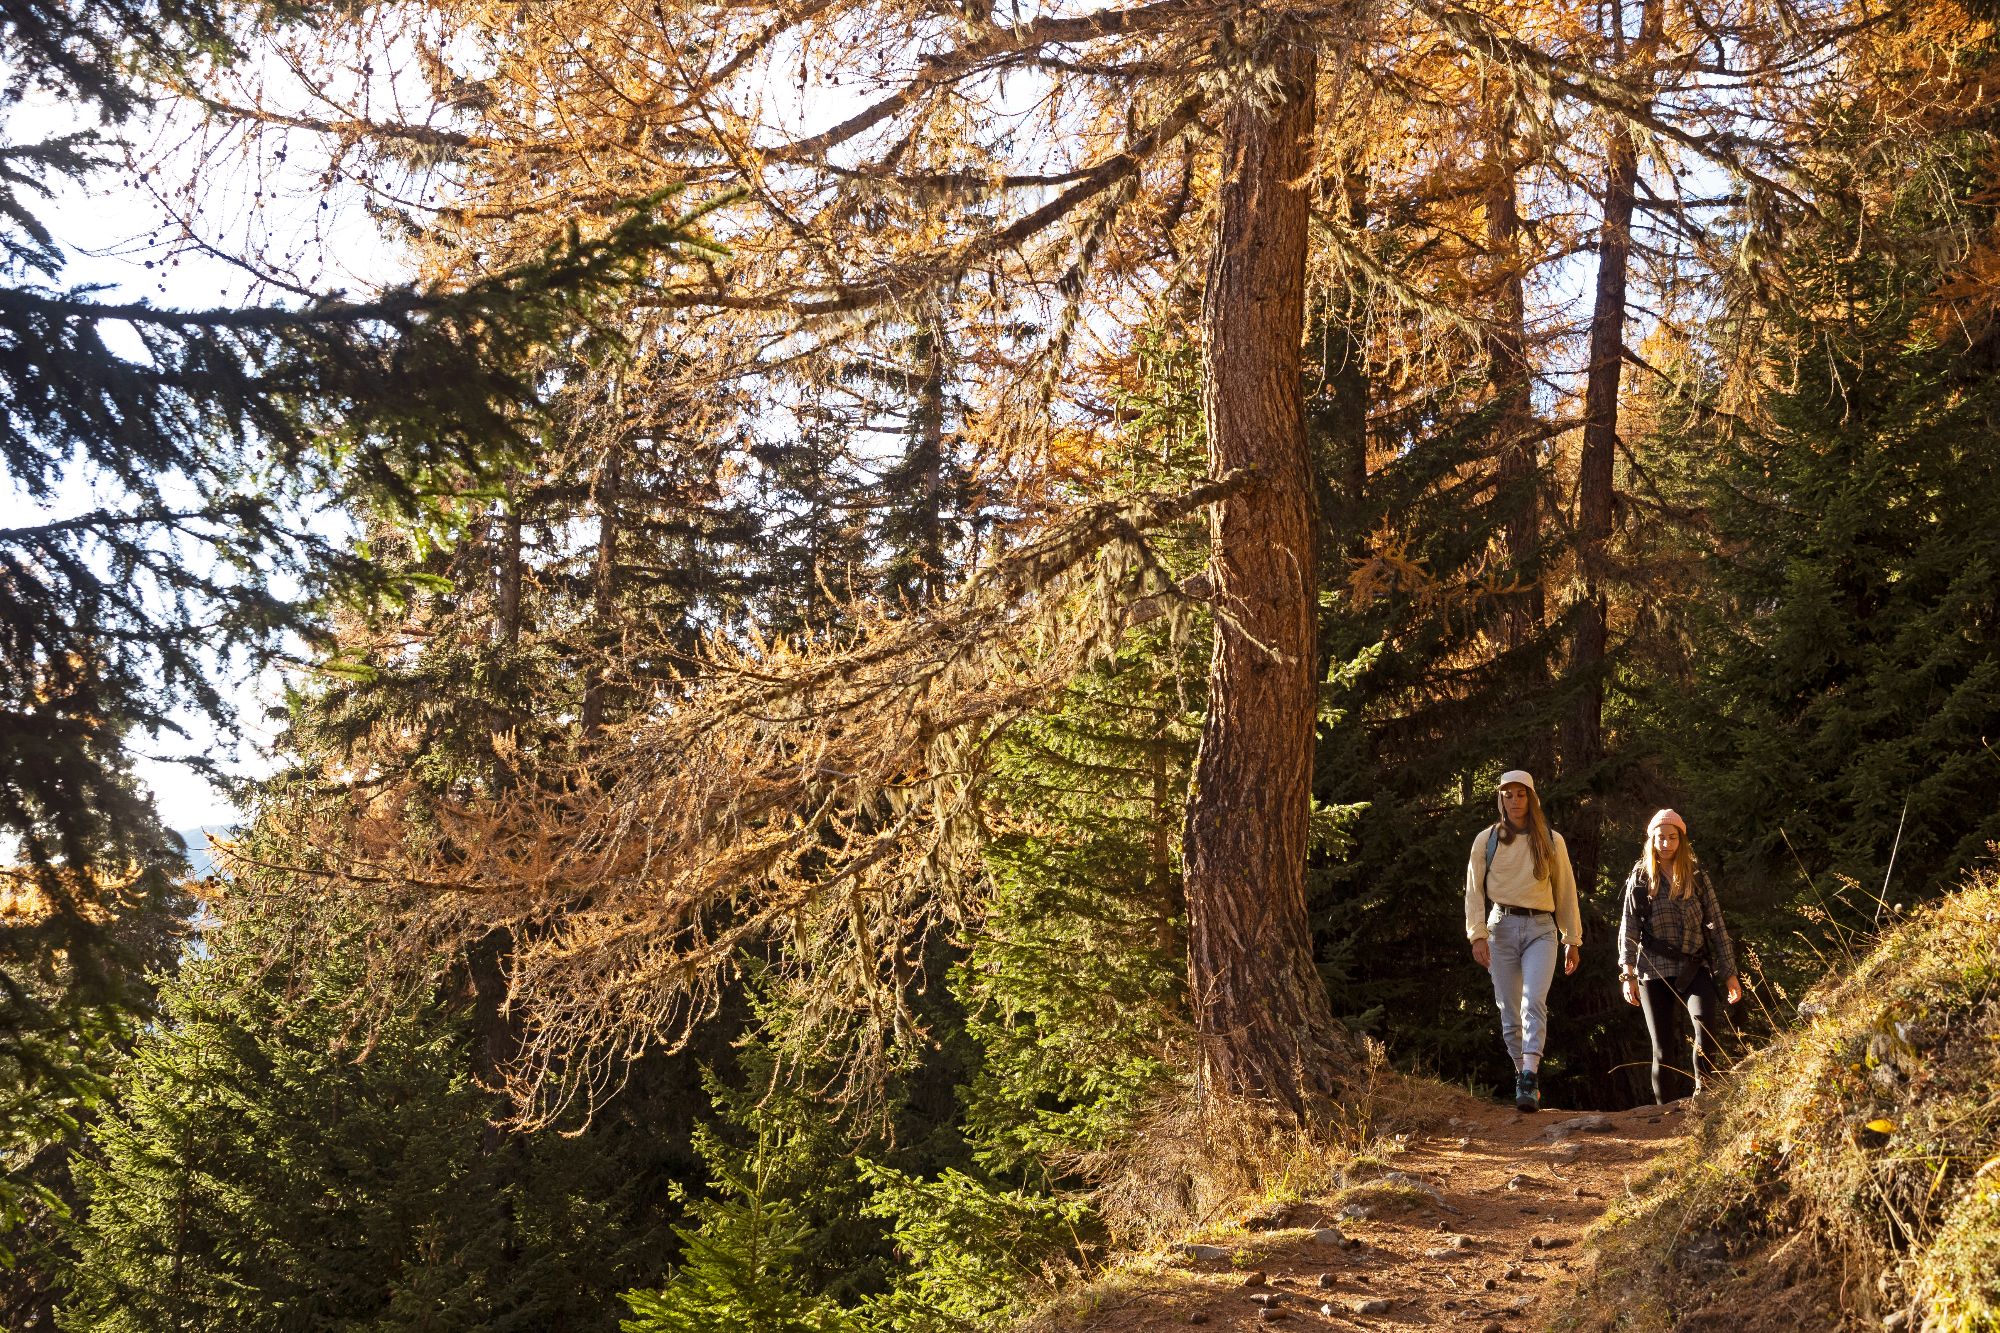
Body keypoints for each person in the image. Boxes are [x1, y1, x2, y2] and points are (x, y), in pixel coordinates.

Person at [1465, 770, 1581, 1113]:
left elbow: (1565, 890)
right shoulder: (1487, 840)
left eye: (1521, 794)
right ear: (1500, 799)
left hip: (1541, 928)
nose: (1515, 801)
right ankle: (1522, 1077)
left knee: (1534, 999)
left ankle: (1530, 1073)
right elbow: (1473, 890)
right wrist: (1477, 934)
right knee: (1508, 1007)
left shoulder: (1551, 840)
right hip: (1500, 927)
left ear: (1532, 798)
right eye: (1508, 794)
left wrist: (1571, 938)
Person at [1617, 809, 1742, 1104]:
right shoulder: (1641, 877)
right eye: (1660, 837)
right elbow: (1629, 926)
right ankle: (1665, 1115)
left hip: (1693, 966)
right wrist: (1628, 973)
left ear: (1681, 839)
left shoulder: (1696, 876)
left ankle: (1704, 1097)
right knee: (1662, 1048)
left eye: (1672, 837)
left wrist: (1730, 974)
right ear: (1652, 839)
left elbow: (1717, 925)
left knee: (1706, 1030)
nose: (1666, 843)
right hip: (1653, 970)